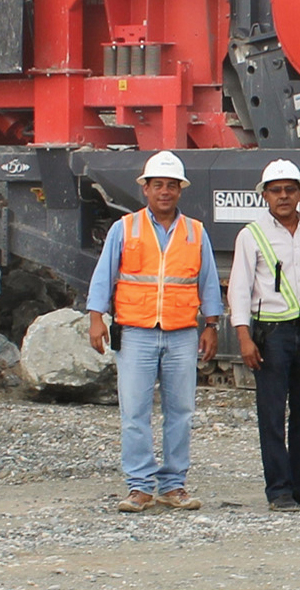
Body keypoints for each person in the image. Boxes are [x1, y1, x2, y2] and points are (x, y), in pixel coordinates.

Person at [86, 151, 224, 513]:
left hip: (180, 333)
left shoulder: (195, 232)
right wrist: (96, 316)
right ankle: (139, 486)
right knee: (135, 411)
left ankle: (173, 485)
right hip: (136, 332)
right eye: (158, 185)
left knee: (180, 410)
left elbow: (208, 281)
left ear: (180, 190)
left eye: (171, 185)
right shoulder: (125, 228)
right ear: (145, 189)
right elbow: (105, 274)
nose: (165, 191)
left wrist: (211, 325)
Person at [227, 159, 300, 512]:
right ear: (265, 196)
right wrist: (244, 337)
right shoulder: (252, 235)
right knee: (273, 413)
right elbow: (240, 288)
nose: (284, 196)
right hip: (271, 332)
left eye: (290, 189)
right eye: (276, 191)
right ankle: (278, 489)